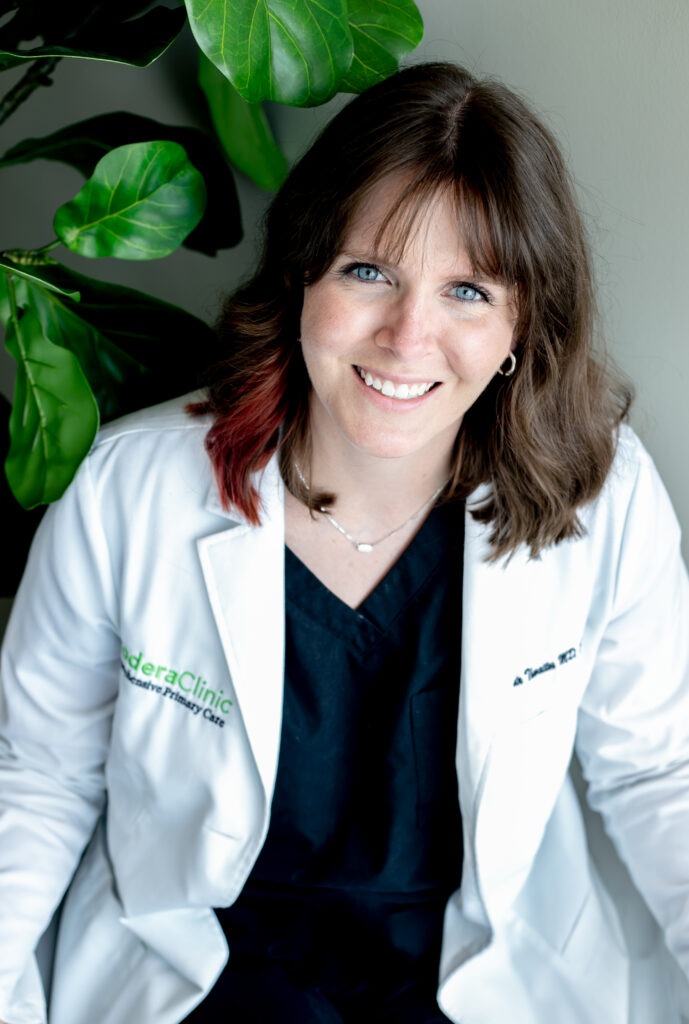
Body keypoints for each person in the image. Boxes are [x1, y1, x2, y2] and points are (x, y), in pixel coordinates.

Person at [0, 61, 688, 1024]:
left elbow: (660, 772)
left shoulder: (601, 493)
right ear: (303, 276)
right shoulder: (132, 491)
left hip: (474, 972)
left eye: (468, 291)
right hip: (209, 968)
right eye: (370, 273)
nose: (408, 337)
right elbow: (36, 776)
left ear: (522, 322)